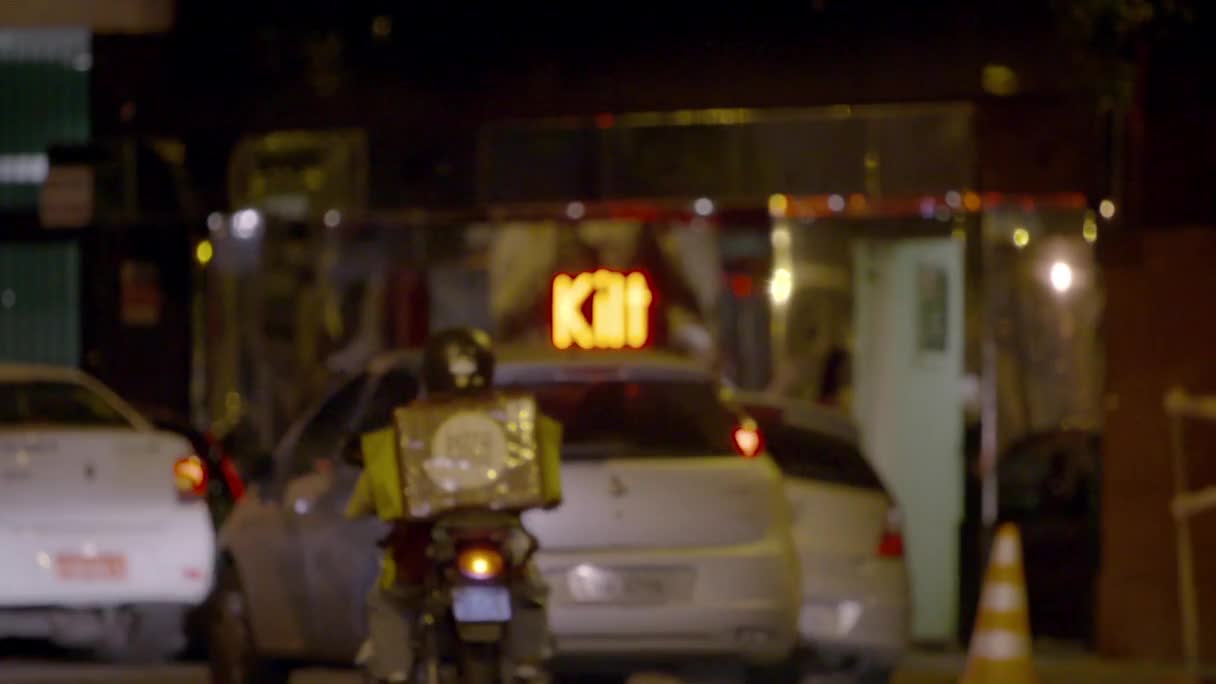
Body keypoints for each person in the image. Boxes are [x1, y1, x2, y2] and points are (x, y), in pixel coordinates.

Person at [345, 327, 551, 683]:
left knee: (390, 601)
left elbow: (369, 494)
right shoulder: (510, 419)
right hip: (502, 540)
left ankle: (393, 670)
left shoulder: (409, 423)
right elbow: (541, 478)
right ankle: (527, 663)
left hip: (424, 543)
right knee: (529, 590)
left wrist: (363, 505)